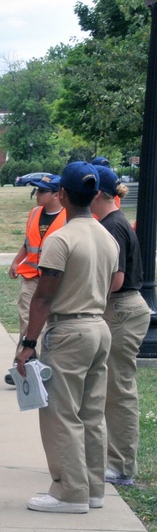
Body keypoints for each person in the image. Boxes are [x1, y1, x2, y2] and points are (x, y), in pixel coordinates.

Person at [16, 162, 118, 513]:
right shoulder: (107, 236)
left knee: (61, 413)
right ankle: (93, 490)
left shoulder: (61, 238)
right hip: (99, 328)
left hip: (69, 331)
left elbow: (42, 297)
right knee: (92, 413)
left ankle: (70, 492)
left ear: (62, 194)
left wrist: (28, 344)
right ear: (94, 194)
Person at [93, 167, 151, 487]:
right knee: (110, 389)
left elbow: (115, 281)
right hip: (122, 310)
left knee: (119, 391)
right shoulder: (113, 221)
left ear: (97, 194)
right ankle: (112, 459)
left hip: (122, 310)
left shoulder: (112, 227)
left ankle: (122, 465)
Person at [5, 173, 64, 386]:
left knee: (50, 323)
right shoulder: (34, 213)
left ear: (57, 194)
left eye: (41, 191)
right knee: (27, 320)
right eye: (36, 190)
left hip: (55, 279)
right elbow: (27, 242)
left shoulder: (68, 217)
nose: (36, 194)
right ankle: (24, 366)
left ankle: (37, 365)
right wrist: (16, 261)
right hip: (31, 277)